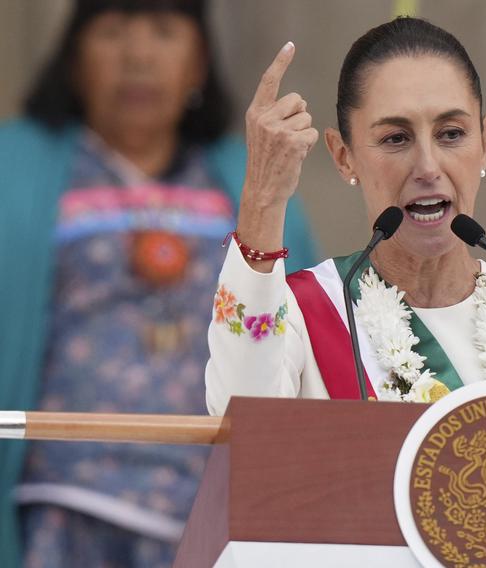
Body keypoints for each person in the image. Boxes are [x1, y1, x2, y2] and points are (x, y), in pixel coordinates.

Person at [0, 1, 318, 566]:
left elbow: (303, 337)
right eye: (114, 31)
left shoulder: (252, 178)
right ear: (73, 58)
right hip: (60, 508)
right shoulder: (14, 165)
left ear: (199, 64)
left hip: (217, 516)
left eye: (165, 32)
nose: (138, 56)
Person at [205, 17, 486, 420]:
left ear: (485, 143)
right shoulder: (302, 313)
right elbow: (237, 418)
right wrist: (263, 197)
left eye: (451, 133)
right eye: (395, 138)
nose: (427, 166)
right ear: (343, 156)